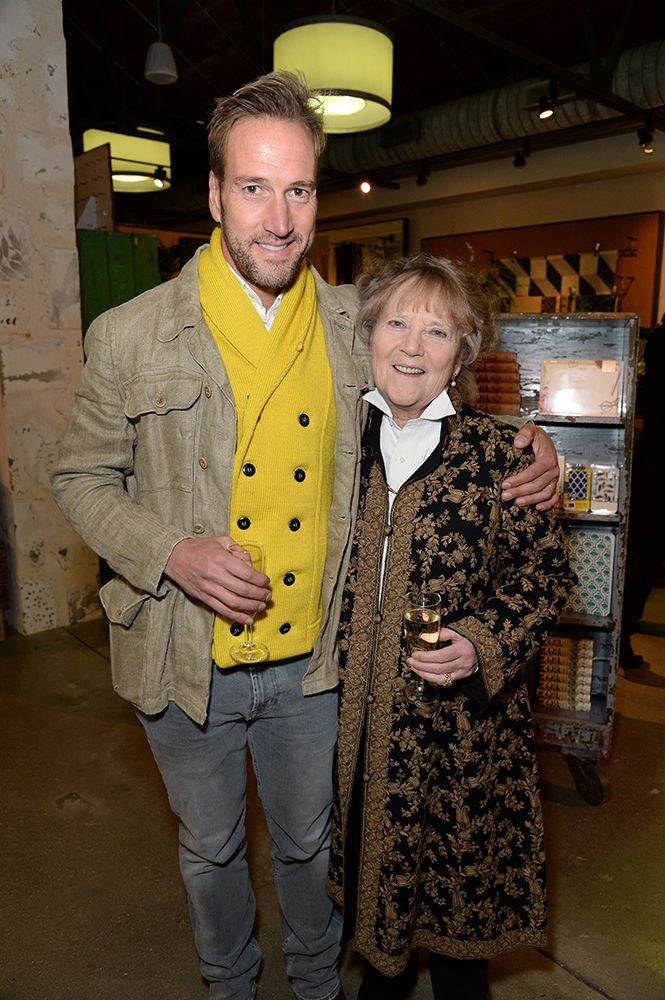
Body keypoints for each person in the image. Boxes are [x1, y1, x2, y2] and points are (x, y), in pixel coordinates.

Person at [52, 72, 559, 1000]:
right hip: (181, 656)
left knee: (310, 844)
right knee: (210, 850)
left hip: (315, 663)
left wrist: (532, 442)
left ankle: (318, 987)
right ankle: (230, 985)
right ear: (213, 195)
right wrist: (170, 551)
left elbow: (431, 379)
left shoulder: (348, 322)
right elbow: (79, 477)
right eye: (253, 188)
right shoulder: (128, 335)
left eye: (298, 190)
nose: (278, 219)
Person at [327, 255, 574, 1000]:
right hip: (355, 731)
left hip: (461, 740)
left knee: (459, 938)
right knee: (375, 923)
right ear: (367, 334)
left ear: (462, 353)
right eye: (396, 322)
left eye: (436, 331)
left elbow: (546, 579)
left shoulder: (502, 453)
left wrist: (482, 643)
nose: (411, 346)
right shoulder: (335, 446)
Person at [620, 316, 665, 669]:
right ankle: (624, 634)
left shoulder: (660, 341)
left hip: (654, 456)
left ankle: (625, 633)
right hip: (657, 460)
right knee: (646, 552)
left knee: (645, 550)